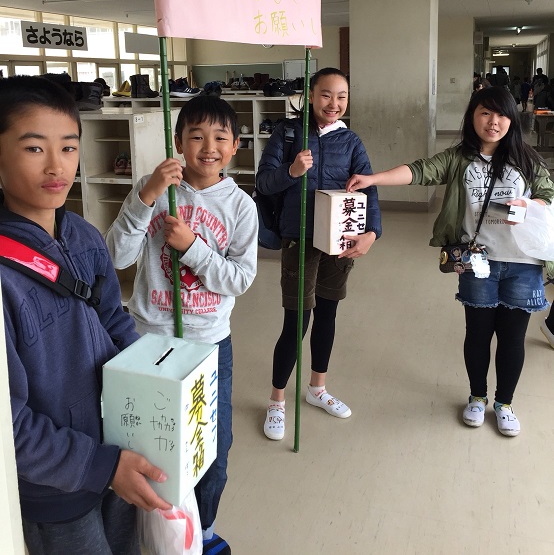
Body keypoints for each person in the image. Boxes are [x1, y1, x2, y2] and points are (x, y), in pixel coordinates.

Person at [1, 76, 170, 555]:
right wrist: (98, 465)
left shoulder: (83, 235)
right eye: (34, 148)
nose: (57, 166)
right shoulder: (4, 279)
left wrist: (155, 386)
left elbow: (114, 321)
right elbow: (8, 424)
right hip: (56, 488)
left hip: (117, 447)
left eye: (69, 147)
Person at [346, 86, 554, 437]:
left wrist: (529, 205)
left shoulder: (526, 158)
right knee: (478, 334)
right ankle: (477, 397)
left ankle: (504, 404)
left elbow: (548, 194)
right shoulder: (459, 158)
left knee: (512, 338)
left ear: (512, 120)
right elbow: (420, 171)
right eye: (485, 112)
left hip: (522, 264)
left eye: (501, 114)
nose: (493, 121)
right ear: (472, 116)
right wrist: (373, 179)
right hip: (478, 261)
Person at [106, 95, 258, 555]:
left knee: (213, 445)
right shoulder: (152, 190)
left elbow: (240, 279)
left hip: (208, 344)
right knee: (144, 442)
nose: (208, 148)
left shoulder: (241, 206)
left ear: (235, 146)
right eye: (196, 136)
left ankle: (203, 532)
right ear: (177, 142)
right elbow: (117, 256)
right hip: (149, 340)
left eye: (220, 138)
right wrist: (147, 195)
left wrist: (192, 248)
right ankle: (143, 533)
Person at [257, 67, 382, 441]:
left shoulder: (351, 141)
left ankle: (317, 388)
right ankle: (277, 401)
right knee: (296, 321)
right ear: (310, 96)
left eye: (342, 96)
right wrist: (292, 171)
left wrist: (372, 232)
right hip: (299, 238)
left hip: (339, 240)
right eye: (326, 94)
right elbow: (263, 182)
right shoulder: (288, 133)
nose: (334, 103)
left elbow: (368, 189)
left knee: (328, 314)